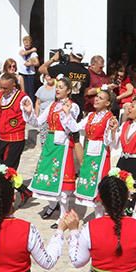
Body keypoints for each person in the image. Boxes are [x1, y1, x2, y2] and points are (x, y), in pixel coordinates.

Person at [27, 78, 80, 225]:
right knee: (49, 176)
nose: (57, 90)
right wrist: (29, 112)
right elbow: (38, 122)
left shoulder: (73, 106)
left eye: (61, 87)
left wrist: (66, 114)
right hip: (50, 144)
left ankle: (63, 215)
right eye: (57, 87)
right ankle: (52, 205)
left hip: (63, 146)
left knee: (62, 181)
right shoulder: (52, 105)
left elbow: (73, 128)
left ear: (68, 90)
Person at [0, 73, 36, 204]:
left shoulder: (23, 98)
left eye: (5, 88)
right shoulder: (0, 96)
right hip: (2, 138)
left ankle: (8, 200)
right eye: (1, 87)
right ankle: (24, 191)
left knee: (7, 172)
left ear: (13, 85)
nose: (2, 91)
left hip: (15, 140)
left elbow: (33, 121)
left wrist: (28, 111)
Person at [62, 88, 116, 213]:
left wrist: (111, 131)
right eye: (96, 96)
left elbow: (109, 141)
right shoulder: (91, 115)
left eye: (101, 98)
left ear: (107, 103)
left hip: (101, 154)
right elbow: (75, 127)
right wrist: (67, 113)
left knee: (98, 185)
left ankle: (100, 217)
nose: (96, 99)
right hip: (89, 152)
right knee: (87, 180)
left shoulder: (109, 118)